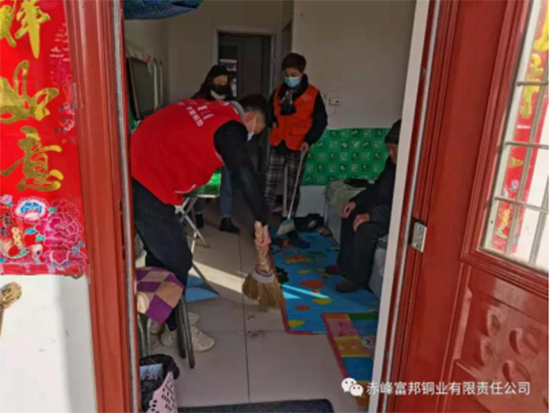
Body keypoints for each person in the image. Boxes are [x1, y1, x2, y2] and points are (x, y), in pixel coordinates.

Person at [131, 95, 271, 351]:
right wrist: (263, 219)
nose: (249, 137)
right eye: (254, 131)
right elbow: (244, 173)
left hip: (142, 170)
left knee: (160, 253)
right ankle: (175, 329)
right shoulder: (231, 127)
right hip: (145, 181)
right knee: (178, 259)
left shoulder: (211, 108)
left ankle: (160, 314)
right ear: (249, 117)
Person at [325, 120, 401, 293]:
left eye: (393, 148)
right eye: (388, 148)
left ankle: (357, 279)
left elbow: (401, 205)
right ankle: (344, 265)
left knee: (365, 229)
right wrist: (355, 202)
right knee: (350, 214)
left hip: (392, 216)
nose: (390, 153)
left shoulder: (411, 169)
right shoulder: (391, 164)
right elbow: (377, 188)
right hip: (380, 209)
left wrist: (371, 216)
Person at [265, 53, 327, 216]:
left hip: (299, 144)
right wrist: (271, 121)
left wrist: (309, 140)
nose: (289, 78)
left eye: (293, 75)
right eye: (286, 74)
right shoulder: (278, 92)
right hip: (278, 141)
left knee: (293, 184)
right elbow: (269, 111)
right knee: (270, 182)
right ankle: (262, 217)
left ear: (302, 72)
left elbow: (320, 121)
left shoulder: (312, 94)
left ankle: (289, 216)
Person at [191, 65, 240, 233]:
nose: (221, 86)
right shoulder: (199, 98)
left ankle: (226, 218)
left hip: (224, 144)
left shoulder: (231, 100)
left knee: (227, 182)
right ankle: (198, 214)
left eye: (224, 83)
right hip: (204, 145)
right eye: (218, 82)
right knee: (202, 180)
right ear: (210, 80)